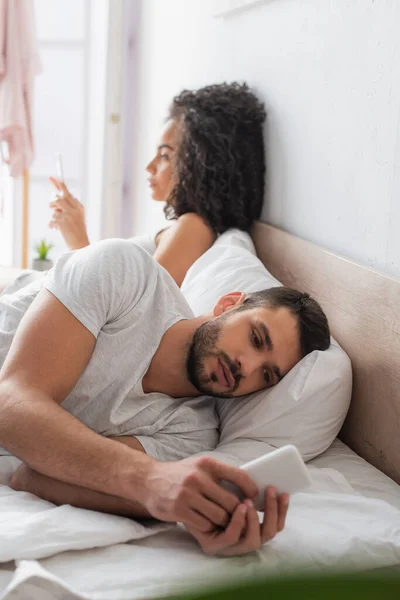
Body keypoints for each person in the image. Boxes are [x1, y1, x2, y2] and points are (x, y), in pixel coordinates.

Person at [0, 240, 330, 556]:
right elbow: (10, 404)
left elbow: (32, 476)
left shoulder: (192, 436)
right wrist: (149, 479)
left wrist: (195, 512)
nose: (249, 367)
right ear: (228, 304)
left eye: (267, 375)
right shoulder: (126, 273)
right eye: (256, 338)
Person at [48, 82, 267, 286]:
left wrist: (78, 243)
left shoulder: (194, 227)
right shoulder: (190, 226)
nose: (149, 167)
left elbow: (130, 312)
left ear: (201, 165)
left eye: (164, 155)